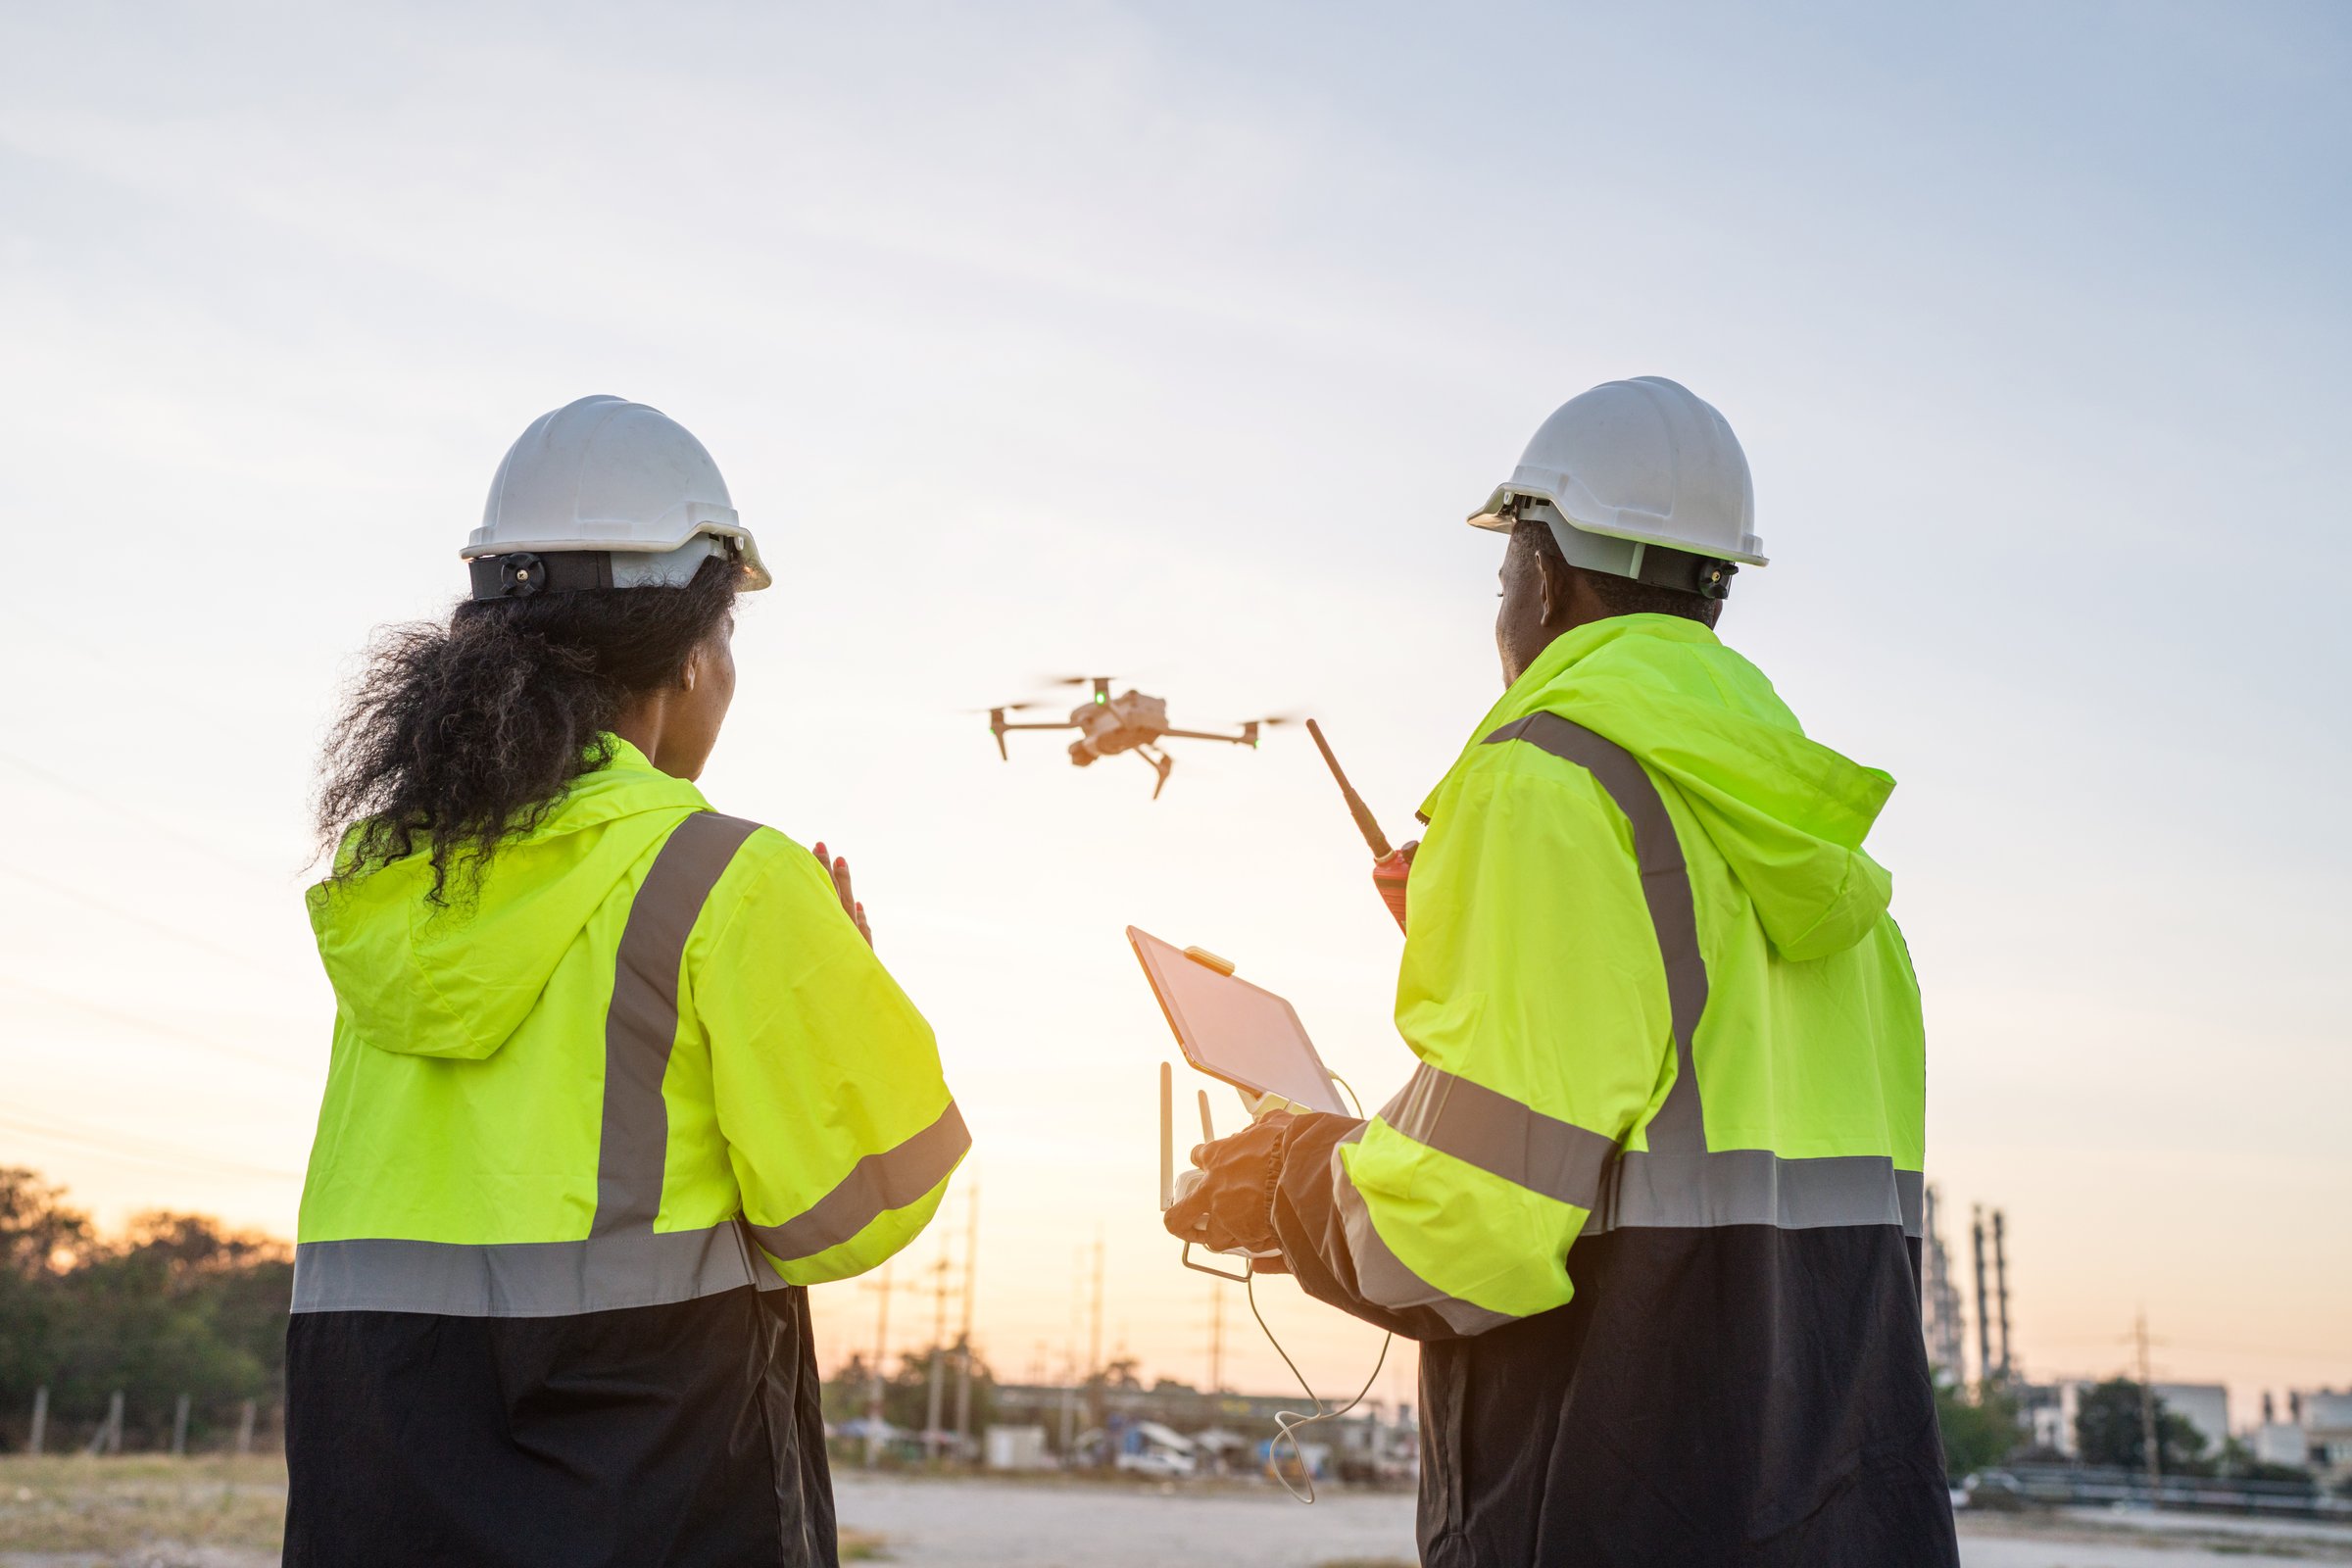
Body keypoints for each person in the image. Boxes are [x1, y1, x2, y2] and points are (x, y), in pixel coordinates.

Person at [1167, 377, 1957, 1565]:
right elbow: (1683, 1090)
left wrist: (1287, 1171)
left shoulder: (1547, 781)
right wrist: (1502, 947)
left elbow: (1467, 1231)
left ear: (1541, 573)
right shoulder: (1815, 849)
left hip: (1619, 1501)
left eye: (1506, 577)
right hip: (1835, 1512)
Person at [285, 396, 967, 1568]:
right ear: (694, 655)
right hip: (659, 1503)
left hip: (374, 1499)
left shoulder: (393, 874)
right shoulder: (727, 877)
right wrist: (839, 981)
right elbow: (861, 1207)